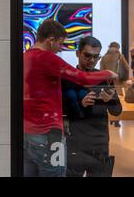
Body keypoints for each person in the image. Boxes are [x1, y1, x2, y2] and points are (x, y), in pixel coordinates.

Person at [24, 19, 118, 177]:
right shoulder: (46, 58)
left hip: (30, 132)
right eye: (60, 44)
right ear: (51, 40)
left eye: (96, 57)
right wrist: (109, 73)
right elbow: (82, 78)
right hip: (48, 133)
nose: (60, 49)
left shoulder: (26, 57)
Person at [62, 37, 122, 177]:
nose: (91, 60)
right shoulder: (68, 78)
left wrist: (110, 101)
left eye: (96, 57)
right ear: (78, 53)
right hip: (75, 144)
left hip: (99, 144)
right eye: (87, 55)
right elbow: (62, 110)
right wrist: (81, 104)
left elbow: (117, 111)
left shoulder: (103, 78)